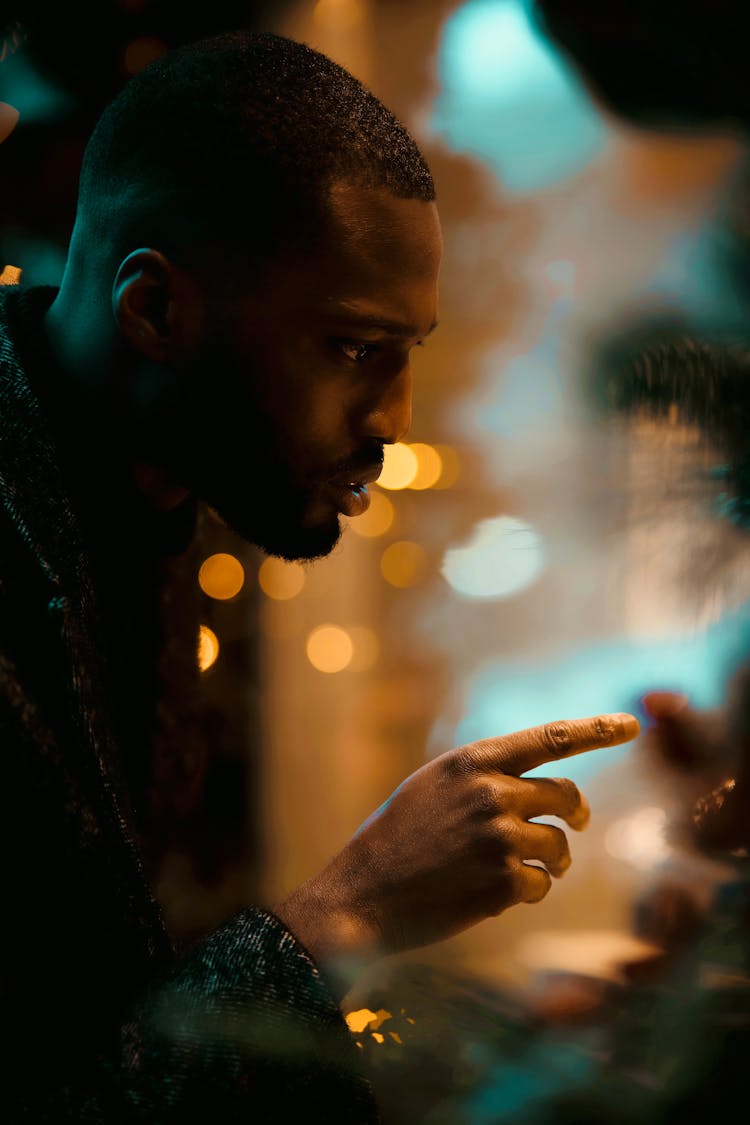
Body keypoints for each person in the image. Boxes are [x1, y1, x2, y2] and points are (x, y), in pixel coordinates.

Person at [0, 29, 641, 1123]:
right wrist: (347, 915)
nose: (391, 424)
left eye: (409, 355)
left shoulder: (150, 510)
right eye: (352, 349)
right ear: (154, 310)